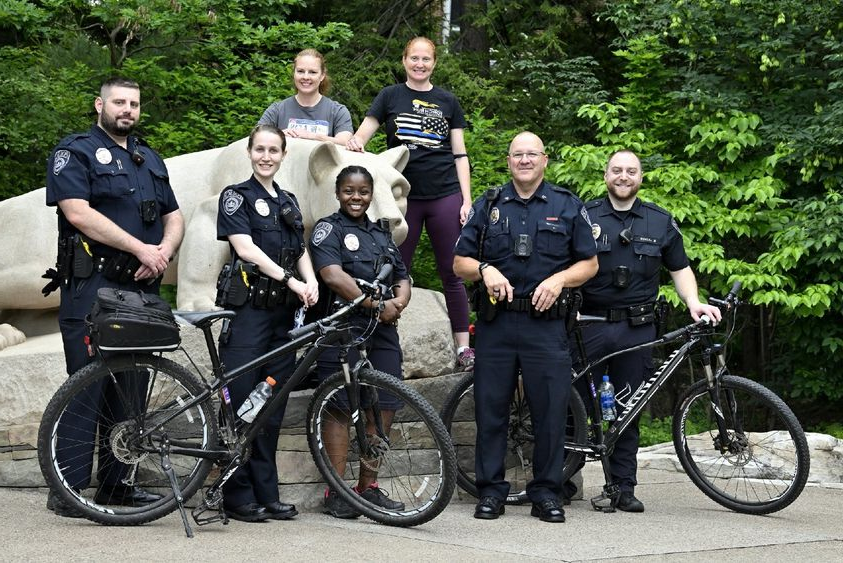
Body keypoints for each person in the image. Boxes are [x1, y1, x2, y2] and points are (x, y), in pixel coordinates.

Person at [44, 77, 185, 517]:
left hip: (141, 289)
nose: (127, 109)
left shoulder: (149, 158)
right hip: (94, 289)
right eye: (119, 102)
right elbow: (77, 212)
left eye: (134, 104)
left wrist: (162, 251)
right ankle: (66, 489)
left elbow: (174, 216)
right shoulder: (76, 151)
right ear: (99, 104)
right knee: (85, 387)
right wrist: (139, 247)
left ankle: (116, 486)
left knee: (131, 390)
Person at [453, 132, 598, 523]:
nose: (525, 160)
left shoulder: (568, 206)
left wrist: (559, 280)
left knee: (550, 412)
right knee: (491, 411)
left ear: (545, 160)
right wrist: (485, 269)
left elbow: (589, 264)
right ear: (508, 161)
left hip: (546, 327)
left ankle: (547, 493)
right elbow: (459, 262)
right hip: (497, 324)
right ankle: (490, 492)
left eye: (532, 154)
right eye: (518, 154)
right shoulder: (489, 204)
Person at [573, 149, 722, 512]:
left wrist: (693, 302)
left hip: (636, 328)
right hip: (586, 326)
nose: (623, 176)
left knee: (628, 408)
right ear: (605, 175)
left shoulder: (659, 221)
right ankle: (562, 481)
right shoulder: (582, 216)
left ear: (641, 177)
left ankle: (623, 487)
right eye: (617, 170)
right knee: (570, 405)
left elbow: (680, 268)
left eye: (631, 171)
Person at [346, 36, 474, 370]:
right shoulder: (390, 96)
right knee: (391, 270)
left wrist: (466, 200)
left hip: (445, 194)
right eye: (414, 58)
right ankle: (384, 343)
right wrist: (352, 143)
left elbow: (459, 154)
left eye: (426, 59)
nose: (420, 64)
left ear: (434, 63)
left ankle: (464, 347)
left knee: (453, 270)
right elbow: (362, 137)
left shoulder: (448, 101)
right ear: (404, 60)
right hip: (402, 197)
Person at [215, 124, 319, 522]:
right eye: (260, 149)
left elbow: (300, 248)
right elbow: (245, 248)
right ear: (249, 152)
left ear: (283, 154)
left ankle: (266, 492)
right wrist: (292, 279)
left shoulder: (288, 200)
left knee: (271, 405)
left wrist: (309, 280)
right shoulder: (236, 197)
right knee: (241, 403)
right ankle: (236, 495)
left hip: (282, 317)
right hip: (248, 314)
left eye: (273, 150)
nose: (266, 156)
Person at [308, 165, 412, 519]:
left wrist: (397, 304)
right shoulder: (328, 229)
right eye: (349, 191)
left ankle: (368, 487)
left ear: (371, 193)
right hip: (342, 328)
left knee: (384, 406)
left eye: (363, 191)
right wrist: (376, 306)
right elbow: (332, 275)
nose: (357, 197)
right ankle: (336, 492)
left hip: (382, 330)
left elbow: (402, 275)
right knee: (338, 406)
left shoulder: (382, 233)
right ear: (338, 193)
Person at [258, 49, 353, 145]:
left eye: (312, 72)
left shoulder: (338, 111)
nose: (306, 77)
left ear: (322, 76)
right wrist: (280, 135)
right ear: (294, 74)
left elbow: (345, 143)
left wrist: (312, 136)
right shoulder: (276, 110)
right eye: (300, 71)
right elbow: (256, 138)